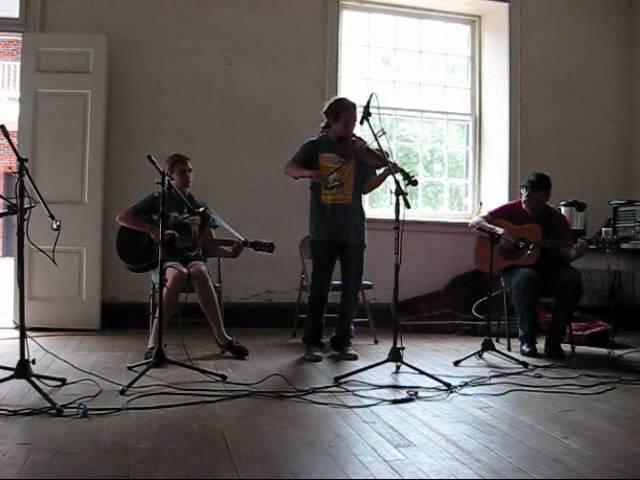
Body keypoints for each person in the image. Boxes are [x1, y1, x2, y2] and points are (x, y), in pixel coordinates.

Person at [285, 97, 398, 362]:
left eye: (354, 122)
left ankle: (343, 342)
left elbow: (364, 188)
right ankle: (312, 342)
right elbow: (290, 167)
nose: (351, 128)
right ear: (332, 122)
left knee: (351, 289)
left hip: (353, 230)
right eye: (345, 123)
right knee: (320, 289)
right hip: (323, 229)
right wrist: (309, 174)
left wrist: (383, 174)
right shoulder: (314, 146)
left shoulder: (358, 151)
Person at [116, 153, 249, 360]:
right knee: (178, 274)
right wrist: (151, 230)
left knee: (199, 271)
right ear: (169, 176)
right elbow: (122, 217)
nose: (188, 175)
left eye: (190, 171)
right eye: (182, 172)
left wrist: (230, 254)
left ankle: (222, 338)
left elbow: (209, 246)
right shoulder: (158, 200)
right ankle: (154, 343)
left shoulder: (201, 208)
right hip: (165, 259)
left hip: (193, 258)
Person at [469, 172, 590, 359]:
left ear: (546, 196)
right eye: (525, 189)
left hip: (549, 270)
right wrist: (500, 231)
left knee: (571, 278)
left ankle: (554, 341)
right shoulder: (510, 209)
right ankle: (527, 340)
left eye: (534, 191)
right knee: (527, 278)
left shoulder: (556, 219)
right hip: (515, 270)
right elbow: (476, 221)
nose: (527, 194)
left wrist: (576, 253)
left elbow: (565, 254)